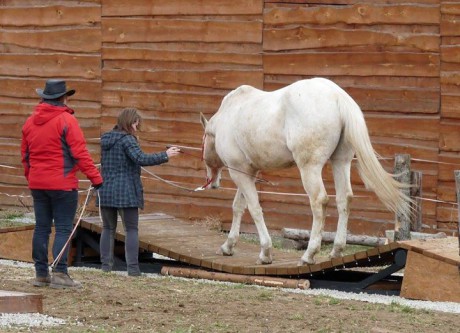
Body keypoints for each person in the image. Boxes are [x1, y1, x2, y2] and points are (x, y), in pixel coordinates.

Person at [21, 79, 103, 289]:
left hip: (38, 183)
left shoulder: (30, 122)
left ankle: (41, 274)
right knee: (64, 228)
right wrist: (96, 178)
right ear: (63, 98)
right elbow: (80, 153)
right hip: (62, 184)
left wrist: (32, 177)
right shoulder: (66, 120)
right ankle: (59, 273)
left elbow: (26, 156)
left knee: (42, 228)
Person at [98, 107, 180, 276]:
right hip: (125, 191)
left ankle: (106, 267)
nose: (137, 126)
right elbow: (141, 159)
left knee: (107, 228)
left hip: (105, 189)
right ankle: (133, 270)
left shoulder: (106, 139)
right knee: (131, 230)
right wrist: (166, 155)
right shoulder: (127, 140)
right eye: (136, 123)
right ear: (130, 122)